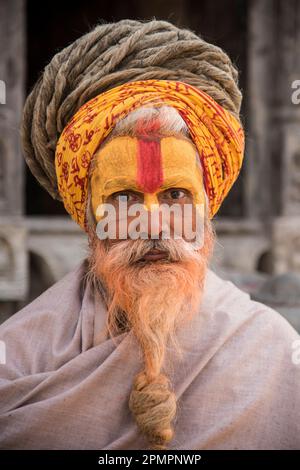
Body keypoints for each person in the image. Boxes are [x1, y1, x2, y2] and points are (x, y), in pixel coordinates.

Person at [0, 19, 299, 451]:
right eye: (124, 197)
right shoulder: (20, 358)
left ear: (207, 204)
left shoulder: (272, 353)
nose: (153, 223)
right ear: (88, 217)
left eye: (176, 194)